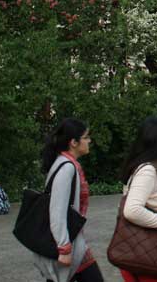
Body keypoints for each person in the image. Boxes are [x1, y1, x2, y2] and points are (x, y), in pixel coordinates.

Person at [30, 118, 102, 282]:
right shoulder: (66, 167)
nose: (89, 141)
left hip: (74, 240)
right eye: (86, 137)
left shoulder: (66, 163)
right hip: (69, 243)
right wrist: (64, 248)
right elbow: (57, 209)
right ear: (74, 142)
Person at [117, 116, 157, 282]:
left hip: (142, 255)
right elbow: (132, 211)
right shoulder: (147, 171)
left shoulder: (146, 169)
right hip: (147, 258)